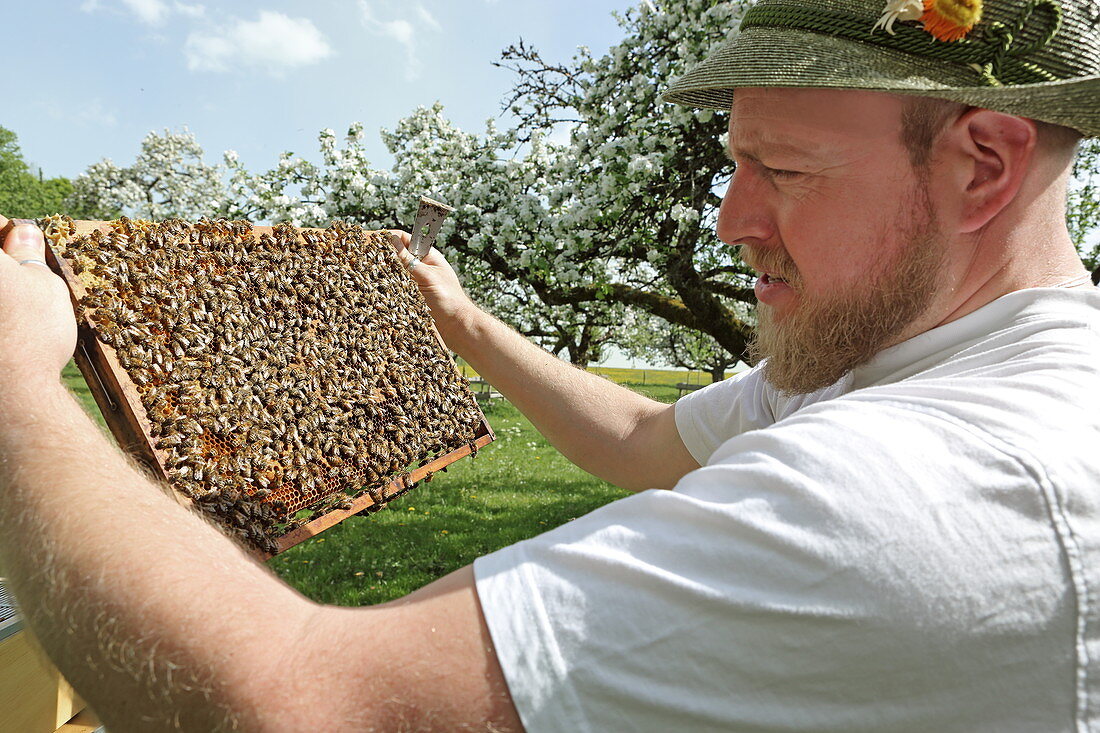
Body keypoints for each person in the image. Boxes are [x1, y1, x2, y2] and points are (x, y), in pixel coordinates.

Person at [1, 0, 1098, 729]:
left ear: (982, 165)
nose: (727, 219)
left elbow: (303, 707)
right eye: (733, 163)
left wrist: (16, 393)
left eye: (782, 169)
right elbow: (642, 438)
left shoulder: (934, 483)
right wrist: (465, 322)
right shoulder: (910, 362)